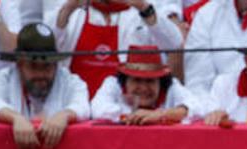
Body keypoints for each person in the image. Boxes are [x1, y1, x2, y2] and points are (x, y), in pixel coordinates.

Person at [0, 22, 91, 149]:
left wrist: (64, 115)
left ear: (56, 65)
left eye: (47, 66)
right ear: (19, 64)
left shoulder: (70, 80)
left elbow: (82, 105)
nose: (40, 74)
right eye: (33, 66)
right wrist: (16, 118)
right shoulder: (1, 78)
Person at [51, 0, 183, 97]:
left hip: (122, 110)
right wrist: (67, 10)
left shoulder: (140, 11)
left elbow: (174, 43)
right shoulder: (74, 12)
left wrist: (144, 8)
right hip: (75, 108)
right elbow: (50, 48)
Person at [91, 44, 206, 123]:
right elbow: (98, 109)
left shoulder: (172, 86)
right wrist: (137, 115)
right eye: (137, 80)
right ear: (125, 81)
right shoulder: (113, 83)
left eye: (150, 81)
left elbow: (198, 107)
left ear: (160, 81)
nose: (144, 88)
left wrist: (161, 115)